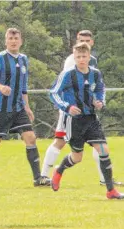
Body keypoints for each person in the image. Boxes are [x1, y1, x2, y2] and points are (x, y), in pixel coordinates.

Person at [41, 30, 121, 186]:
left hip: (91, 118)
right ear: (74, 53)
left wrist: (99, 101)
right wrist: (66, 107)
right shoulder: (68, 71)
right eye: (78, 56)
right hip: (72, 118)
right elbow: (54, 92)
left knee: (103, 149)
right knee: (74, 154)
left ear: (90, 52)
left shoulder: (95, 71)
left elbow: (99, 89)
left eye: (84, 56)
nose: (81, 59)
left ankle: (109, 187)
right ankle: (56, 171)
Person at [0, 28, 51, 188]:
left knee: (31, 138)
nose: (13, 40)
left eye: (16, 38)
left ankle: (38, 178)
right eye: (10, 38)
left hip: (18, 108)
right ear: (6, 41)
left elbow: (23, 86)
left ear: (21, 41)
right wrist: (0, 87)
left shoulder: (24, 59)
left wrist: (27, 106)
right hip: (1, 108)